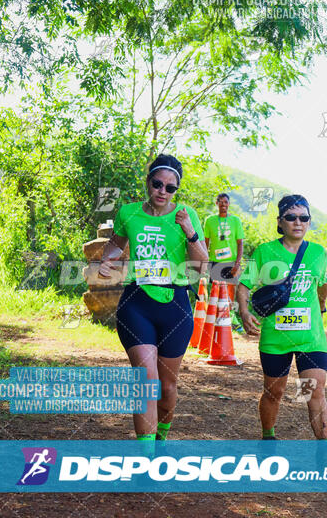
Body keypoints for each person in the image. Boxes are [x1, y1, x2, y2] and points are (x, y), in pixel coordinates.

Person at [98, 154, 208, 443]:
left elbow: (202, 265)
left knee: (167, 386)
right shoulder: (129, 213)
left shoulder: (186, 214)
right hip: (137, 302)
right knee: (146, 382)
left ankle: (161, 439)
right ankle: (145, 460)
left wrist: (190, 232)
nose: (163, 191)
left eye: (170, 188)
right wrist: (107, 260)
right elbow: (115, 245)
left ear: (176, 191)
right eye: (158, 184)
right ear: (148, 183)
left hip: (176, 304)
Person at [236, 194, 327, 440]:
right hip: (275, 339)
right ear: (280, 222)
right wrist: (244, 311)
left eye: (304, 218)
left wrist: (321, 305)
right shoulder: (266, 251)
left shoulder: (318, 253)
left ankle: (324, 449)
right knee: (274, 392)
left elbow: (323, 284)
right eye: (291, 217)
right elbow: (244, 285)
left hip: (311, 339)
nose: (298, 223)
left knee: (313, 391)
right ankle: (268, 436)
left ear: (309, 221)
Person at [204, 193, 244, 300]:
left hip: (231, 262)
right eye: (220, 202)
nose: (223, 204)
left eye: (226, 202)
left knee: (229, 297)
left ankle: (229, 315)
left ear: (229, 204)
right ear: (216, 203)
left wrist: (237, 263)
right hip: (214, 263)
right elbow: (205, 244)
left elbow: (240, 243)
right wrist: (204, 262)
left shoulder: (236, 220)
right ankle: (216, 316)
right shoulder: (209, 220)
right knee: (215, 296)